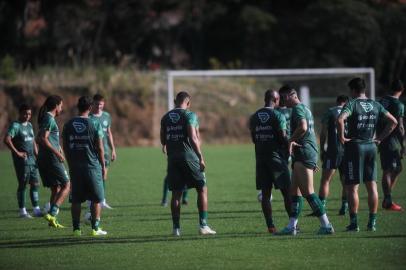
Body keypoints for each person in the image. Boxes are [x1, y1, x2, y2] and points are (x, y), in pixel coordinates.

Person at [337, 78, 397, 232]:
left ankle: (354, 223)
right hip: (371, 146)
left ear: (353, 90)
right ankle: (372, 223)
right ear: (364, 89)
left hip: (355, 147)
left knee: (352, 187)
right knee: (371, 186)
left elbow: (340, 119)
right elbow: (393, 121)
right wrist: (380, 138)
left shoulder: (352, 104)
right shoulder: (375, 104)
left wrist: (342, 137)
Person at [277, 85, 334, 235]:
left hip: (303, 153)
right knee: (294, 192)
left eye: (283, 98)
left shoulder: (298, 109)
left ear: (291, 95)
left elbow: (303, 127)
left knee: (308, 192)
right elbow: (310, 132)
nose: (282, 101)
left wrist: (290, 140)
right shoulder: (305, 108)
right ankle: (291, 227)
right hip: (303, 153)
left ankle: (326, 225)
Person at [160, 91, 216, 236]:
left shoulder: (165, 117)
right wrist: (200, 157)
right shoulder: (190, 115)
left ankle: (176, 229)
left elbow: (163, 140)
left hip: (173, 159)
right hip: (189, 157)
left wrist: (169, 145)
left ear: (174, 101)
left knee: (176, 194)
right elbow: (192, 137)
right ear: (188, 103)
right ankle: (203, 226)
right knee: (202, 188)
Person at [62, 96, 107, 236]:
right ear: (90, 107)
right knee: (96, 198)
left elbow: (65, 146)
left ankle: (76, 229)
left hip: (75, 167)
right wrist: (103, 166)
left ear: (78, 107)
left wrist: (70, 162)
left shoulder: (68, 124)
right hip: (92, 166)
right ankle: (95, 229)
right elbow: (100, 148)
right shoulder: (94, 124)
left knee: (76, 199)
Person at [249, 90, 291, 233]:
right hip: (276, 158)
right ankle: (293, 223)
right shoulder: (278, 115)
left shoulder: (254, 117)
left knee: (265, 194)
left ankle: (270, 226)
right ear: (276, 99)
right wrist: (290, 146)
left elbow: (254, 139)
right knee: (287, 192)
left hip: (260, 158)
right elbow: (282, 137)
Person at [312, 95, 350, 216]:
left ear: (337, 102)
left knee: (325, 180)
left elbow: (323, 132)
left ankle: (321, 208)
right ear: (346, 102)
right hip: (349, 150)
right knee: (346, 180)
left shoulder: (330, 111)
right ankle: (344, 206)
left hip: (334, 150)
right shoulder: (350, 111)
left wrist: (323, 149)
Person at [37, 95, 70, 228]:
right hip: (51, 158)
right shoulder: (49, 119)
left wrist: (59, 148)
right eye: (61, 105)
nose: (62, 108)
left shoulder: (47, 119)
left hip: (46, 158)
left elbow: (46, 138)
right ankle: (53, 212)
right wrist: (57, 152)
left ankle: (52, 220)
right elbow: (42, 138)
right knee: (67, 185)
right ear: (56, 106)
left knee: (55, 188)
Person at [4, 104, 42, 218]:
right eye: (25, 113)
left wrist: (37, 155)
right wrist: (17, 153)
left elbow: (33, 141)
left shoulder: (30, 125)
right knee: (23, 184)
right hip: (23, 161)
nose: (27, 116)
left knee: (35, 183)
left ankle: (36, 209)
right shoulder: (15, 125)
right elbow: (6, 139)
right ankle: (22, 211)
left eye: (29, 114)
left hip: (33, 160)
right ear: (20, 113)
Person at [377, 79, 405, 211]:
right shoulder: (398, 104)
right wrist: (403, 144)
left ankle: (387, 197)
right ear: (402, 90)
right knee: (388, 170)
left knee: (397, 168)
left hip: (383, 139)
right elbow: (399, 127)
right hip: (389, 140)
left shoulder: (381, 101)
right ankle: (387, 200)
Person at [89, 94, 116, 209]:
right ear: (92, 104)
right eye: (96, 103)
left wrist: (113, 149)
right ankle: (92, 200)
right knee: (94, 177)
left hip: (105, 152)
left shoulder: (106, 116)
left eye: (101, 103)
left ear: (103, 103)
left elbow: (109, 133)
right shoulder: (89, 117)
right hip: (93, 152)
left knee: (103, 176)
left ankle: (102, 200)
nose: (99, 106)